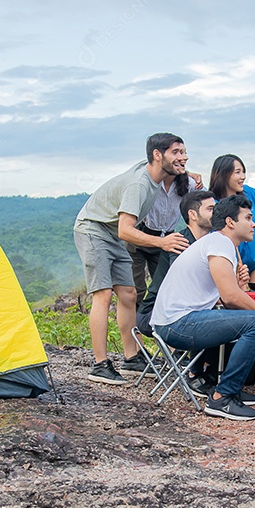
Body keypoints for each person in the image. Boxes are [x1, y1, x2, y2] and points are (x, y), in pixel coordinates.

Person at [151, 195, 255, 421]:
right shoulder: (219, 243)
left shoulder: (219, 244)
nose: (254, 224)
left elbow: (228, 297)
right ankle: (222, 397)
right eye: (248, 218)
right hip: (175, 324)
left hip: (182, 320)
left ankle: (233, 388)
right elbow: (231, 297)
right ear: (230, 222)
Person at [73, 133, 190, 385]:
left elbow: (167, 166)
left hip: (111, 236)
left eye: (184, 151)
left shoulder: (153, 172)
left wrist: (189, 172)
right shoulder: (139, 184)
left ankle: (131, 357)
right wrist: (162, 242)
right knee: (103, 294)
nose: (184, 157)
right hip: (93, 230)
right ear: (158, 155)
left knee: (128, 293)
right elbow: (125, 230)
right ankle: (100, 364)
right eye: (177, 152)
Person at [129, 165, 204, 306]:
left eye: (183, 153)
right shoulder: (150, 181)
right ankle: (135, 324)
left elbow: (205, 200)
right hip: (141, 234)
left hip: (167, 239)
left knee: (164, 287)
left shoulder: (189, 183)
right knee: (136, 289)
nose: (182, 159)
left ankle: (155, 323)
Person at [207, 149, 255, 281]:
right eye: (237, 172)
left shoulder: (248, 193)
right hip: (231, 261)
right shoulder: (213, 204)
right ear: (224, 175)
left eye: (243, 172)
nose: (242, 176)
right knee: (236, 297)